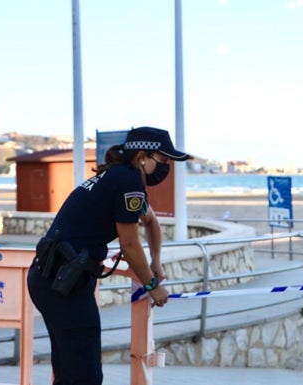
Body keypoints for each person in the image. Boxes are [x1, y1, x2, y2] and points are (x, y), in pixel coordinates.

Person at [27, 126, 190, 385]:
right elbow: (129, 244)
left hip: (53, 278)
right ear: (142, 158)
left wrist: (155, 261)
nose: (167, 167)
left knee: (70, 370)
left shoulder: (118, 177)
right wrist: (152, 285)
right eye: (163, 159)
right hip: (62, 283)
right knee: (85, 375)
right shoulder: (127, 181)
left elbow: (151, 223)